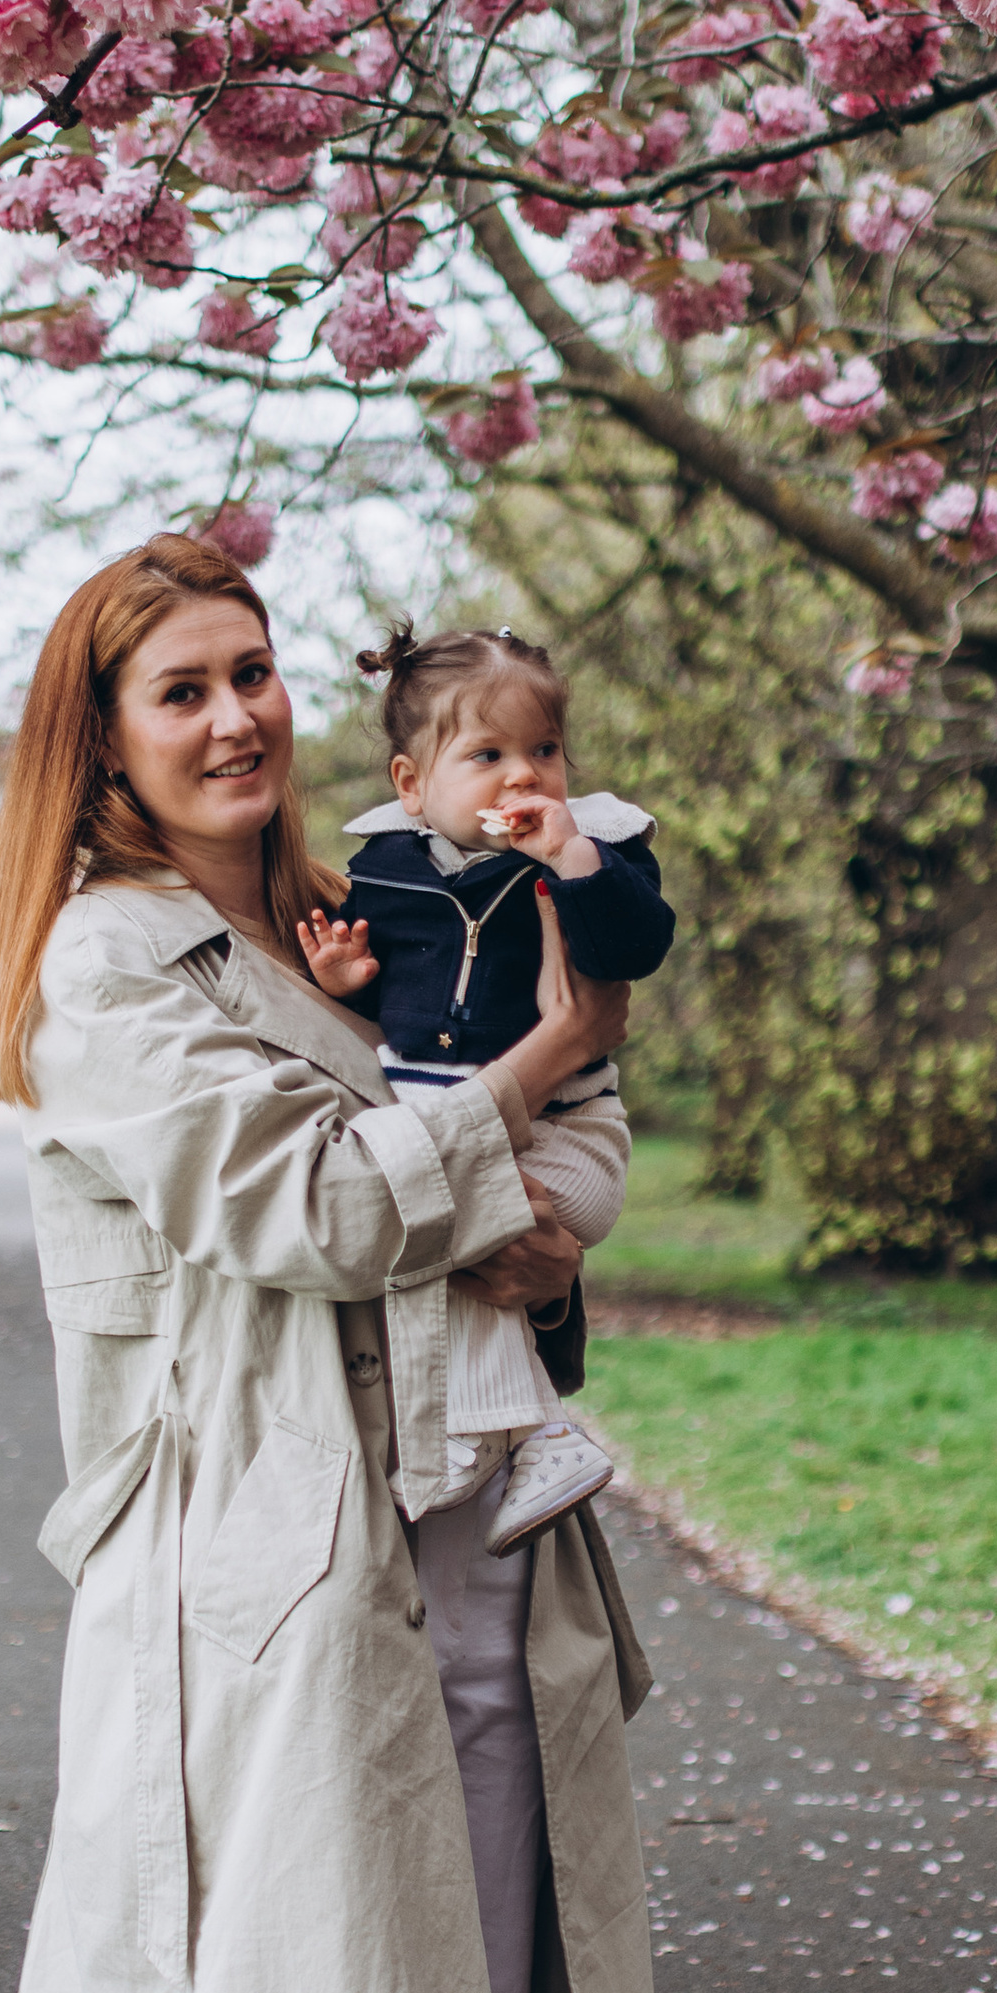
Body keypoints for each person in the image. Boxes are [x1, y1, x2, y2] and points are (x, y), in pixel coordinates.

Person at [0, 533, 662, 1993]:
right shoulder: (111, 960)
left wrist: (500, 1137)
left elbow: (420, 1172)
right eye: (181, 688)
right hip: (244, 1581)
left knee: (426, 1989)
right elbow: (311, 1213)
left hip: (418, 1531)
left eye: (252, 673)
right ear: (104, 741)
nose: (236, 715)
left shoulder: (316, 929)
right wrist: (545, 1064)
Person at [298, 618, 675, 1560]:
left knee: (459, 1217)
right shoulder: (384, 871)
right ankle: (517, 1434)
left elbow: (636, 950)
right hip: (455, 1126)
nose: (524, 778)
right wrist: (348, 980)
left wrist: (575, 862)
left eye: (544, 750)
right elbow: (391, 988)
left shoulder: (602, 847)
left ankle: (531, 1433)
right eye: (489, 754)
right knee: (441, 1227)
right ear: (412, 784)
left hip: (566, 1136)